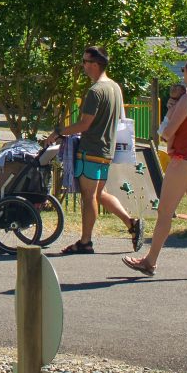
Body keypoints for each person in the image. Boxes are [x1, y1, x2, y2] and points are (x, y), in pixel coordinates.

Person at [123, 56, 187, 280]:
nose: (182, 75)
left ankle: (150, 262)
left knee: (164, 213)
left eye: (183, 71)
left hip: (183, 161)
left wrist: (170, 109)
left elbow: (166, 132)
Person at [50, 45, 140, 255]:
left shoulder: (95, 91)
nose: (83, 66)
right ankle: (131, 224)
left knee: (89, 196)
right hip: (107, 150)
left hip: (90, 150)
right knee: (99, 193)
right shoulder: (115, 87)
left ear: (96, 64)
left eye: (85, 62)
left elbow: (84, 124)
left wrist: (59, 132)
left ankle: (85, 241)